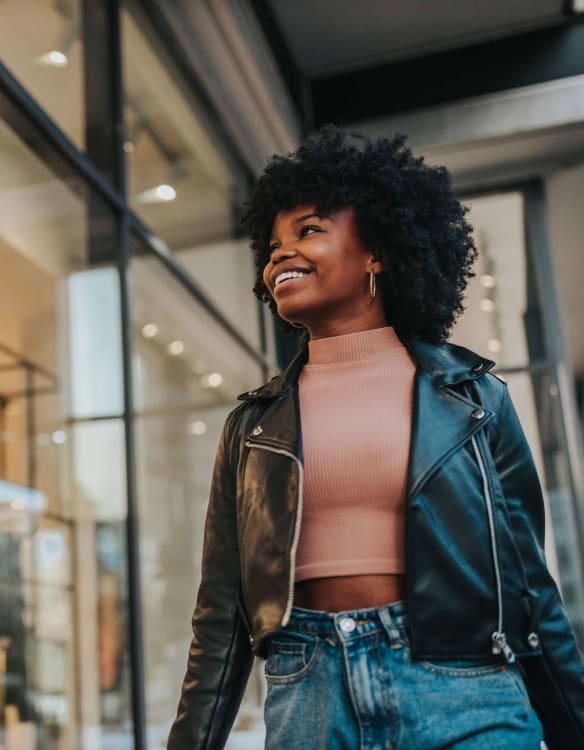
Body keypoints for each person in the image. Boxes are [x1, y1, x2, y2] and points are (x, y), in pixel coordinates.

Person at [167, 125, 584, 749]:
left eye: (308, 230)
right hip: (309, 694)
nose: (280, 253)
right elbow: (221, 619)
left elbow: (527, 584)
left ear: (378, 252)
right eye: (273, 244)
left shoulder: (472, 399)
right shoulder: (251, 426)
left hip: (463, 686)